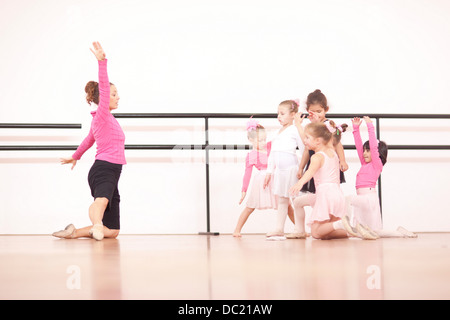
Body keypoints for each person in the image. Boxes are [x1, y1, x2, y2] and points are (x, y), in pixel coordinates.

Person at [53, 42, 126, 241]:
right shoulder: (102, 114)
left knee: (113, 230)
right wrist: (102, 62)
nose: (118, 97)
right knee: (101, 201)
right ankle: (96, 226)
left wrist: (74, 156)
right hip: (105, 168)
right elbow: (103, 85)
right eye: (113, 94)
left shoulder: (103, 120)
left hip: (113, 170)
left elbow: (88, 140)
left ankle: (75, 232)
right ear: (103, 98)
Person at [289, 120, 377, 240]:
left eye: (307, 138)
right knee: (326, 233)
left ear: (318, 141)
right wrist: (300, 126)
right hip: (337, 195)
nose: (304, 141)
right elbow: (333, 140)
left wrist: (299, 183)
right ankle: (356, 229)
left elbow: (310, 172)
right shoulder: (332, 152)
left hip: (325, 195)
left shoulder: (317, 157)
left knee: (316, 233)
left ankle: (341, 224)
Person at [347, 116, 416, 238]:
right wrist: (356, 129)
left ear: (377, 153)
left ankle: (347, 225)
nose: (364, 153)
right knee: (373, 231)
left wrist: (370, 126)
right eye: (364, 151)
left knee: (348, 200)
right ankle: (400, 233)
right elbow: (358, 147)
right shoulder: (364, 163)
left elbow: (374, 148)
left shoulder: (376, 165)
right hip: (362, 199)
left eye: (368, 151)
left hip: (368, 199)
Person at [291, 89, 348, 238]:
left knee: (317, 232)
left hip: (325, 180)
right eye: (312, 111)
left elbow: (338, 144)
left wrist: (343, 160)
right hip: (328, 183)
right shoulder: (317, 142)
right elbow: (305, 148)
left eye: (319, 111)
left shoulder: (327, 127)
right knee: (325, 231)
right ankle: (349, 230)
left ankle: (338, 225)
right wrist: (301, 167)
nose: (316, 114)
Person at [264, 100, 305, 240]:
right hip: (280, 172)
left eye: (282, 114)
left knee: (296, 200)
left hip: (292, 170)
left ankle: (300, 229)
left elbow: (304, 148)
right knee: (282, 200)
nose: (279, 116)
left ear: (293, 115)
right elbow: (272, 153)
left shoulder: (294, 130)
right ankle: (279, 228)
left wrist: (302, 168)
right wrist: (269, 171)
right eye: (278, 114)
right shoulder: (276, 133)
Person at [234, 118, 282, 237]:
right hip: (261, 182)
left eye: (264, 139)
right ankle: (237, 230)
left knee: (287, 205)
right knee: (250, 207)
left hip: (274, 179)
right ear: (251, 140)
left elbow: (280, 136)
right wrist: (244, 190)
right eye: (260, 140)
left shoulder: (271, 146)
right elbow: (247, 174)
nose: (263, 142)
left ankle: (299, 229)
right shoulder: (251, 155)